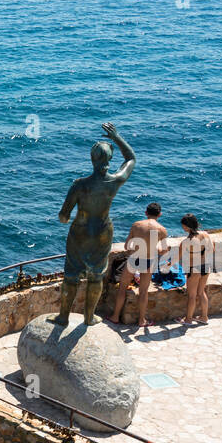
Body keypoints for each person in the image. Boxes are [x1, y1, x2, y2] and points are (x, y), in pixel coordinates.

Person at [50, 122, 136, 326]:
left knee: (71, 275)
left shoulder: (80, 185)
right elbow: (131, 158)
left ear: (92, 160)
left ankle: (63, 317)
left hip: (80, 233)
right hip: (103, 232)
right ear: (109, 159)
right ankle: (89, 318)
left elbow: (64, 216)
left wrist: (65, 216)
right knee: (96, 276)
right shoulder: (116, 180)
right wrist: (116, 137)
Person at [112, 202, 172, 329]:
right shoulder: (162, 230)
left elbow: (127, 245)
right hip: (149, 261)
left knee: (122, 288)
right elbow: (163, 251)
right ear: (159, 214)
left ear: (146, 213)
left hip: (134, 258)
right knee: (143, 291)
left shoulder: (137, 225)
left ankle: (115, 317)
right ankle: (141, 320)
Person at [173, 213, 214, 326]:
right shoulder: (205, 234)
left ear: (187, 226)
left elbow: (177, 257)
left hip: (194, 269)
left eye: (183, 226)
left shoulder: (186, 241)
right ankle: (204, 317)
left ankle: (188, 319)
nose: (182, 228)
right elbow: (212, 249)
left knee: (192, 295)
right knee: (201, 292)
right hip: (206, 266)